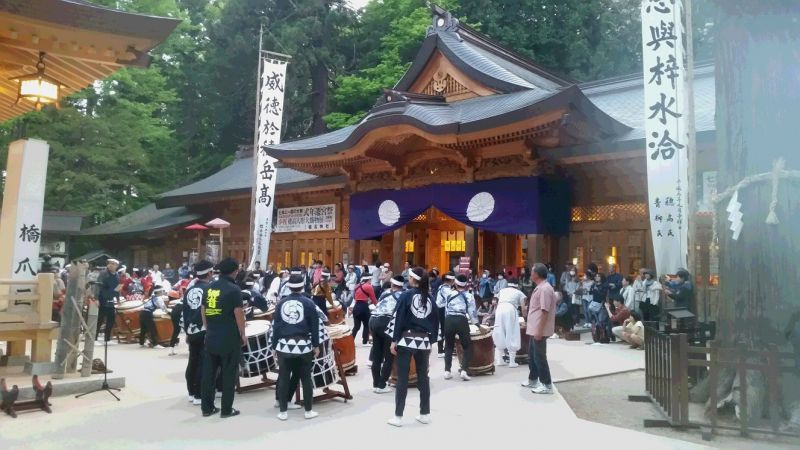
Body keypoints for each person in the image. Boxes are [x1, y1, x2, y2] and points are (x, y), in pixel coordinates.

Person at [388, 267, 438, 427]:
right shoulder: (430, 297)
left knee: (402, 377)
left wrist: (394, 339)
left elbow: (398, 318)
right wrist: (431, 340)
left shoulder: (406, 295)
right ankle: (425, 413)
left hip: (406, 338)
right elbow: (435, 320)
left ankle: (398, 416)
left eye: (409, 276)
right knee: (423, 377)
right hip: (423, 340)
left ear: (412, 279)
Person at [200, 258, 246, 418]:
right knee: (228, 373)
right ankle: (226, 409)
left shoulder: (209, 287)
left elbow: (203, 310)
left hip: (211, 335)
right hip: (229, 337)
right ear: (234, 271)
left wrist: (208, 328)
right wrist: (243, 333)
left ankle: (207, 408)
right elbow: (238, 313)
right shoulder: (234, 289)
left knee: (209, 373)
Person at [272, 274, 321, 420]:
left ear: (288, 286)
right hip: (303, 345)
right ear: (302, 285)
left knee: (284, 377)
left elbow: (276, 327)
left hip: (284, 345)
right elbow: (315, 326)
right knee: (305, 378)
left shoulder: (281, 303)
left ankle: (282, 412)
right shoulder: (309, 303)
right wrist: (316, 345)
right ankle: (308, 411)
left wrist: (274, 345)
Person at [522, 263, 557, 394]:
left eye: (532, 272)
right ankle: (533, 380)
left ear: (537, 274)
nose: (530, 274)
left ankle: (547, 384)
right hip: (534, 328)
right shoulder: (540, 287)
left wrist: (539, 330)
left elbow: (544, 311)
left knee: (539, 357)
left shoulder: (545, 289)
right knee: (532, 356)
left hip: (539, 329)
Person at [182, 260, 213, 406]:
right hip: (204, 329)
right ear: (210, 273)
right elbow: (210, 312)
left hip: (191, 330)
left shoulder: (189, 290)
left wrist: (187, 331)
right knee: (203, 362)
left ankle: (191, 392)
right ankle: (199, 394)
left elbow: (185, 312)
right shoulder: (210, 289)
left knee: (192, 361)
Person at [370, 275, 404, 394]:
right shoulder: (402, 295)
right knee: (389, 356)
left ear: (392, 284)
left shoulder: (384, 293)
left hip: (373, 321)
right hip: (386, 323)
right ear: (402, 285)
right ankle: (382, 385)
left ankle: (375, 383)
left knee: (377, 355)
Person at [443, 274, 478, 381]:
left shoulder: (448, 293)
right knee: (467, 346)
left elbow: (445, 308)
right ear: (466, 285)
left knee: (448, 346)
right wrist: (476, 324)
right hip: (462, 320)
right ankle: (463, 370)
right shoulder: (469, 296)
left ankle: (447, 371)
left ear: (455, 283)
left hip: (449, 319)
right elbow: (472, 312)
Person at [493, 278, 527, 368]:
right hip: (510, 309)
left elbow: (494, 302)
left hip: (499, 309)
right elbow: (523, 308)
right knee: (512, 332)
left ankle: (499, 360)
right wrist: (525, 319)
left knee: (499, 331)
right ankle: (512, 362)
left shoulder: (502, 291)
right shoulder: (519, 293)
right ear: (517, 285)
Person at [96, 259, 121, 343]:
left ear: (117, 266)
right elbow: (97, 286)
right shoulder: (103, 274)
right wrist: (96, 298)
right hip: (102, 298)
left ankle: (107, 339)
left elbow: (118, 287)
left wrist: (118, 299)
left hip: (111, 299)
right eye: (110, 263)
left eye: (113, 264)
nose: (111, 265)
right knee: (100, 319)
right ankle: (94, 338)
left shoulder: (117, 275)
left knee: (111, 319)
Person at [351, 272, 377, 345]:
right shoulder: (369, 286)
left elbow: (354, 297)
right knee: (366, 324)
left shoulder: (356, 286)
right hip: (364, 307)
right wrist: (378, 306)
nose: (371, 281)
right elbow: (373, 299)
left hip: (356, 307)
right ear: (368, 279)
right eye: (370, 279)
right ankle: (364, 341)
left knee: (356, 326)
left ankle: (351, 340)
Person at [434, 272, 456, 358]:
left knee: (443, 330)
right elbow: (451, 298)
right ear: (451, 280)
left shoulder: (443, 287)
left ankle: (442, 350)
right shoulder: (445, 289)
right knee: (443, 330)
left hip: (441, 310)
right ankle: (442, 351)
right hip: (441, 310)